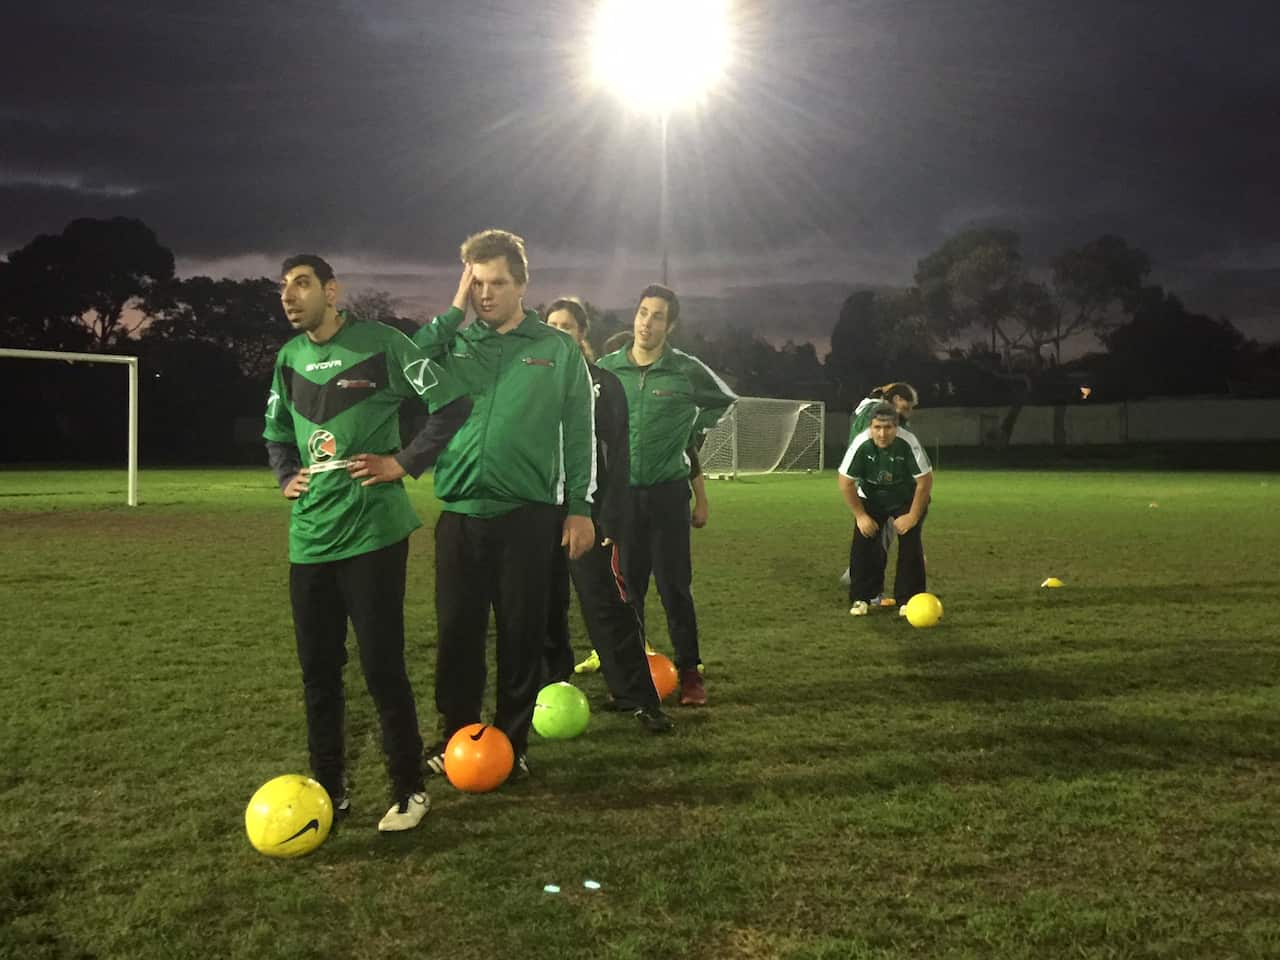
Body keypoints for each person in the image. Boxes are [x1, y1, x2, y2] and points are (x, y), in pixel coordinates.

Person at [262, 254, 472, 832]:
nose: (289, 295)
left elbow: (452, 403)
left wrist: (402, 463)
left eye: (301, 284)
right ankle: (328, 791)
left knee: (381, 666)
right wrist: (286, 477)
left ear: (332, 291)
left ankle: (409, 788)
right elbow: (277, 432)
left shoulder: (383, 343)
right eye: (284, 287)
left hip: (372, 534)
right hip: (309, 539)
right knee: (318, 673)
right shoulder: (287, 359)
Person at [411, 230, 597, 780]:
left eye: (495, 283)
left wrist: (581, 506)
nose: (484, 294)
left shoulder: (557, 349)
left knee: (521, 635)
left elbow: (579, 431)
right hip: (462, 515)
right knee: (458, 635)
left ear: (522, 284)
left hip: (529, 516)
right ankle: (457, 738)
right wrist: (451, 311)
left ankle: (512, 745)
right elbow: (404, 364)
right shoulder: (456, 344)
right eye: (476, 283)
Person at [598, 284, 736, 706]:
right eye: (642, 312)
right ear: (634, 317)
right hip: (622, 500)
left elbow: (724, 400)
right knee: (628, 591)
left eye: (657, 316)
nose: (647, 322)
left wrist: (691, 430)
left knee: (675, 587)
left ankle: (691, 673)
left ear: (669, 325)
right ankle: (633, 675)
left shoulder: (686, 370)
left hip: (668, 497)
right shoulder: (607, 369)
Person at [542, 297, 674, 733]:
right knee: (541, 604)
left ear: (582, 334)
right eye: (552, 325)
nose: (560, 331)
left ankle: (636, 696)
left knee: (609, 606)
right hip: (537, 513)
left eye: (568, 326)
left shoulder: (604, 384)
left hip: (591, 515)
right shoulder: (530, 382)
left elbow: (618, 458)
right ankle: (547, 690)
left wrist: (611, 520)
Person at [837, 401, 933, 616]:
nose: (882, 434)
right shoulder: (861, 443)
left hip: (906, 499)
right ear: (870, 427)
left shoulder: (908, 442)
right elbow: (845, 482)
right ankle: (862, 598)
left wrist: (912, 516)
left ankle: (909, 600)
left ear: (896, 427)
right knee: (863, 543)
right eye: (877, 428)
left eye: (888, 428)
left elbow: (925, 481)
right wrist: (861, 516)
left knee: (910, 543)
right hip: (872, 499)